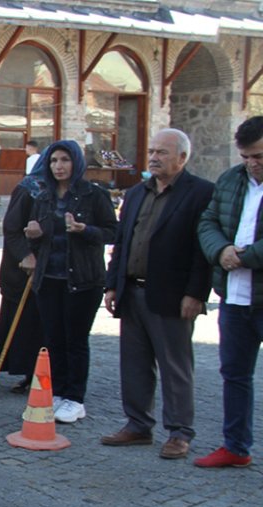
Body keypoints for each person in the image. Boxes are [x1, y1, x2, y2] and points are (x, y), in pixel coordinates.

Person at [98, 130, 213, 459]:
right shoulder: (135, 194)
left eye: (162, 152)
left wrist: (195, 293)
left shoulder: (200, 193)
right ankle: (137, 424)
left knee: (175, 366)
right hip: (132, 290)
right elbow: (122, 242)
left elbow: (201, 250)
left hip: (172, 296)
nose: (154, 157)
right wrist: (111, 284)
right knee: (134, 364)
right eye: (151, 151)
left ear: (182, 158)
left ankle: (179, 432)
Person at [23, 139, 118, 423]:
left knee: (75, 340)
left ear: (75, 163)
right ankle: (57, 392)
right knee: (53, 339)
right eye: (53, 161)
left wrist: (84, 229)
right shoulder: (43, 197)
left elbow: (112, 233)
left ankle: (75, 398)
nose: (58, 166)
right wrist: (34, 235)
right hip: (49, 278)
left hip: (83, 280)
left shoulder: (94, 195)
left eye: (64, 160)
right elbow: (37, 235)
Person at [194, 115, 263, 468]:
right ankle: (236, 446)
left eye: (259, 157)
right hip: (235, 298)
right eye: (247, 156)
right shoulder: (230, 180)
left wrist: (248, 256)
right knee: (235, 374)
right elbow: (208, 221)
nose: (252, 163)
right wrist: (220, 251)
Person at [0, 157, 46, 394]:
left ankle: (46, 373)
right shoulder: (28, 189)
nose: (60, 166)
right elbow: (12, 228)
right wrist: (25, 254)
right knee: (25, 324)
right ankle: (28, 373)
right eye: (55, 160)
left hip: (52, 271)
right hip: (22, 271)